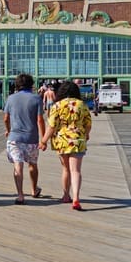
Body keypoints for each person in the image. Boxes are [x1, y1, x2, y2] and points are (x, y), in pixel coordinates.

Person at [38, 80, 92, 211]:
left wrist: (43, 141)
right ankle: (76, 198)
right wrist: (86, 134)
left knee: (66, 169)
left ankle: (66, 195)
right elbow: (88, 123)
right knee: (76, 170)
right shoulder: (82, 105)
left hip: (62, 141)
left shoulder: (57, 106)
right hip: (78, 140)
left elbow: (52, 126)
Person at [3, 72, 46, 204]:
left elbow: (6, 118)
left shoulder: (10, 98)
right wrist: (43, 139)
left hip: (15, 138)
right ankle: (34, 190)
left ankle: (20, 195)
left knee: (18, 165)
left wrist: (8, 130)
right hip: (31, 138)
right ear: (31, 85)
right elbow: (40, 120)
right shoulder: (36, 98)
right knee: (32, 164)